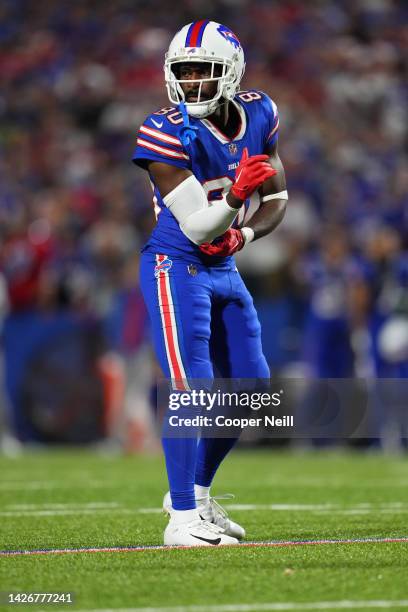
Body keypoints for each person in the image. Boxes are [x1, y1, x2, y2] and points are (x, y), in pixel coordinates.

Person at [133, 20, 288, 546]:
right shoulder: (164, 128)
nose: (194, 82)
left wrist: (243, 233)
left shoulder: (261, 111)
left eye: (206, 70)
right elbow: (198, 227)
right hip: (176, 266)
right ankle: (180, 520)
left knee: (251, 392)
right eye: (185, 71)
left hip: (223, 267)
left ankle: (197, 497)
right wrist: (231, 200)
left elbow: (276, 199)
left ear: (233, 72)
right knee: (192, 389)